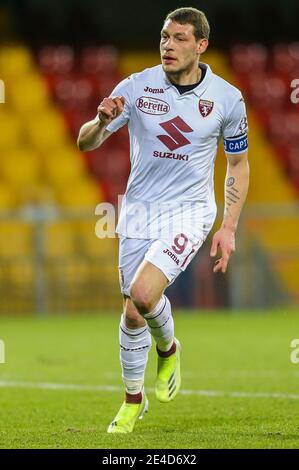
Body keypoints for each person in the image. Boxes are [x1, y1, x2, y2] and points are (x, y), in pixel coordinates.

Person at [77, 7, 249, 433]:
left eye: (179, 38)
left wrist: (228, 227)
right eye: (164, 37)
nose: (168, 45)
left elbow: (238, 164)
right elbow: (85, 143)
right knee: (134, 314)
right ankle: (137, 394)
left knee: (142, 292)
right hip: (139, 210)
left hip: (190, 211)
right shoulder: (136, 87)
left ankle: (165, 354)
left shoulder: (227, 99)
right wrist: (100, 121)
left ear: (201, 45)